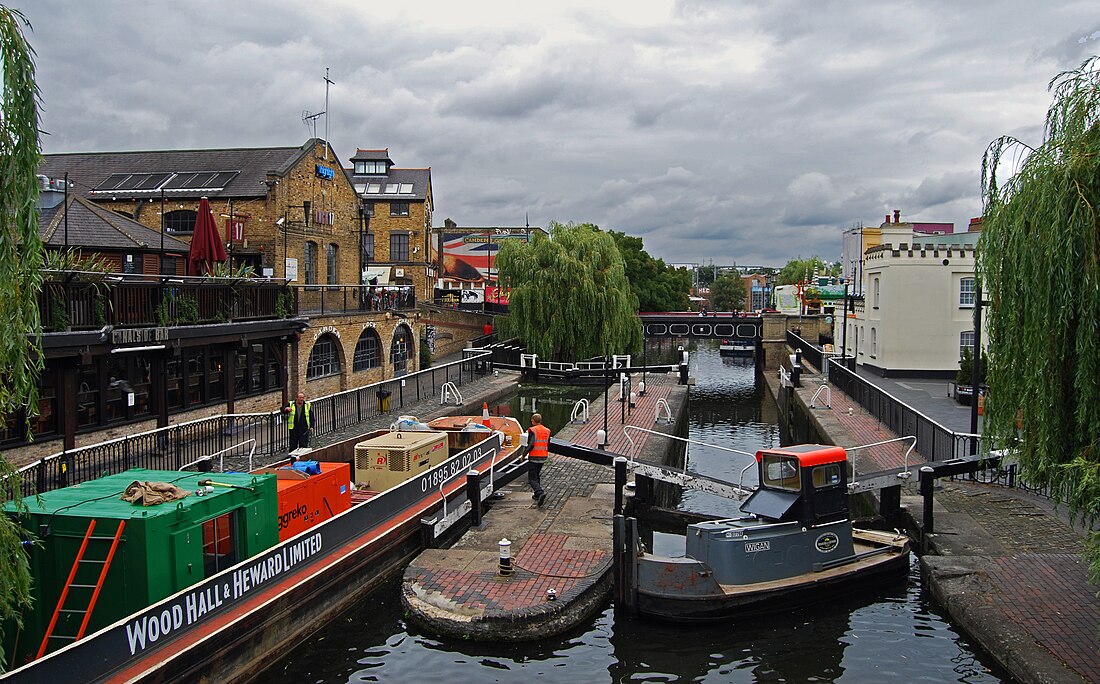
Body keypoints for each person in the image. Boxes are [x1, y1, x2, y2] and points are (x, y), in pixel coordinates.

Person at [521, 413, 551, 506]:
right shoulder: (547, 431)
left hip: (534, 456)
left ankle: (540, 492)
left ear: (533, 420)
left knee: (532, 478)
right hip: (543, 456)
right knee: (537, 474)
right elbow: (548, 443)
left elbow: (531, 444)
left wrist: (524, 454)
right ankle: (537, 495)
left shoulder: (533, 430)